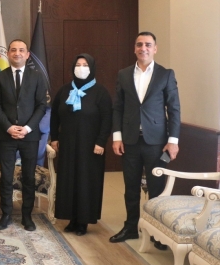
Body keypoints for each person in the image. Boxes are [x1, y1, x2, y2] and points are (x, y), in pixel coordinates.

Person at [109, 32, 180, 249]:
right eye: (139, 44)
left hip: (157, 142)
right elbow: (118, 108)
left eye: (148, 45)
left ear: (155, 49)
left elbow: (174, 109)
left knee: (156, 187)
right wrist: (117, 136)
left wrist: (173, 140)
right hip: (130, 140)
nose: (143, 48)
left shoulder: (165, 74)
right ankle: (131, 227)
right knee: (130, 187)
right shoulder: (123, 74)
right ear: (134, 48)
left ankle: (157, 232)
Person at [50, 54, 112, 236]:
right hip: (68, 144)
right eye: (78, 64)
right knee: (69, 180)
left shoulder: (100, 92)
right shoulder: (64, 90)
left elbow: (107, 119)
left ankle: (83, 221)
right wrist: (55, 138)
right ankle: (71, 218)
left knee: (86, 182)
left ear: (91, 68)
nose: (81, 68)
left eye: (85, 65)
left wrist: (101, 141)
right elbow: (54, 115)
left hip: (91, 146)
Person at [0, 39, 47, 231]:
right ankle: (6, 214)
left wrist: (28, 128)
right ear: (8, 53)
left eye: (21, 50)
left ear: (27, 54)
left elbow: (41, 106)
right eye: (13, 50)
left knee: (28, 177)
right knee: (6, 177)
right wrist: (8, 127)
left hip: (30, 136)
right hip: (6, 135)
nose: (17, 53)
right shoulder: (0, 77)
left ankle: (27, 216)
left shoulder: (37, 77)